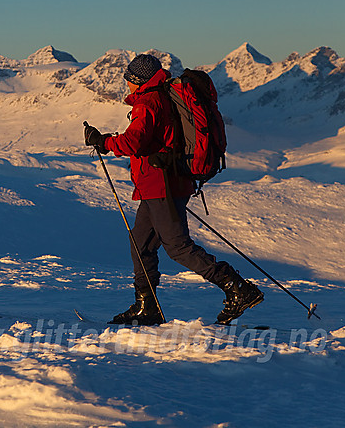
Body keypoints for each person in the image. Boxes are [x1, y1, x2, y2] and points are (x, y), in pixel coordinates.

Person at [84, 53, 263, 325]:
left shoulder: (149, 102)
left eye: (129, 80)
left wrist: (104, 142)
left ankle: (238, 288)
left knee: (178, 247)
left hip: (162, 184)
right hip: (160, 184)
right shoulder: (161, 96)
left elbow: (134, 141)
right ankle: (147, 307)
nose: (127, 86)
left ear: (138, 80)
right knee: (140, 243)